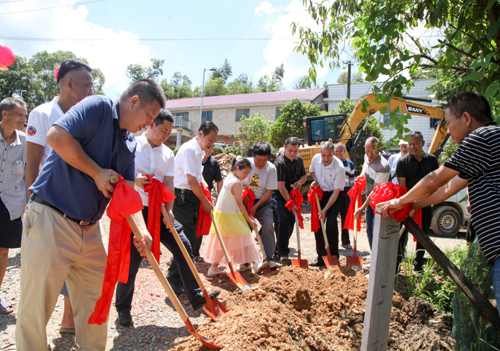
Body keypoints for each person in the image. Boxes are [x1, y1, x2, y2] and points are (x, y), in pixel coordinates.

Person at [15, 79, 165, 350]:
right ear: (133, 102)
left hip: (89, 230)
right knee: (35, 310)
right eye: (149, 116)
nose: (149, 124)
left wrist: (141, 229)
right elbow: (56, 137)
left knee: (97, 304)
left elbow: (128, 194)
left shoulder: (129, 142)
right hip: (51, 217)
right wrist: (97, 172)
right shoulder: (97, 106)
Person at [380, 91, 500, 315]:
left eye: (447, 123)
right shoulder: (490, 143)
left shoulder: (480, 138)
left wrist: (400, 199)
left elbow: (436, 179)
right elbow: (449, 188)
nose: (447, 131)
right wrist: (414, 205)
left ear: (466, 118)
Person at [115, 109, 220, 326]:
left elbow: (169, 183)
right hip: (136, 210)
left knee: (184, 245)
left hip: (160, 210)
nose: (166, 135)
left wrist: (170, 210)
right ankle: (123, 308)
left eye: (169, 132)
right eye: (164, 130)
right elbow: (119, 174)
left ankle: (195, 294)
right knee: (132, 261)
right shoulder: (132, 145)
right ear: (151, 124)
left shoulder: (168, 153)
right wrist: (135, 179)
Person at [25, 58, 94, 334]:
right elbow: (32, 163)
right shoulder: (42, 115)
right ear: (69, 84)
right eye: (87, 86)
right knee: (45, 277)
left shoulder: (86, 117)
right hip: (48, 205)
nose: (91, 92)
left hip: (76, 206)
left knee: (73, 270)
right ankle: (35, 334)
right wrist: (32, 203)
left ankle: (68, 323)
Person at [169, 121, 218, 295]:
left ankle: (181, 280)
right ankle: (174, 279)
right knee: (186, 241)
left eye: (214, 140)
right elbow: (190, 180)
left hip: (191, 196)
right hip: (182, 197)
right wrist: (204, 201)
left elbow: (198, 178)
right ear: (200, 133)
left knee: (191, 239)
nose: (211, 143)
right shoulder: (190, 150)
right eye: (210, 139)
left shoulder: (199, 151)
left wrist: (207, 196)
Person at [204, 157, 260, 276]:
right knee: (246, 234)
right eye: (245, 172)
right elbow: (240, 205)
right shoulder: (237, 183)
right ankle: (255, 263)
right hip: (230, 216)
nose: (245, 176)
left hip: (221, 214)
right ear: (238, 168)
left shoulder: (229, 177)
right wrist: (249, 221)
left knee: (222, 241)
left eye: (248, 174)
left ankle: (213, 268)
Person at [395, 131, 439, 272]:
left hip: (425, 203)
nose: (412, 147)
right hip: (408, 205)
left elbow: (435, 182)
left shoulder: (431, 160)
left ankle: (418, 265)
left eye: (415, 144)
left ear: (423, 143)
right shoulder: (403, 162)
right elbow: (403, 187)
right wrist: (409, 205)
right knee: (402, 236)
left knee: (423, 235)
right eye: (410, 144)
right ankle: (396, 265)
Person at [0, 98, 27, 315]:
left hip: (11, 204)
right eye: (19, 115)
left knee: (3, 252)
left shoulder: (26, 143)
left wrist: (29, 203)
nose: (23, 119)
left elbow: (28, 173)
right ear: (5, 114)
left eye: (24, 115)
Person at [242, 142, 279, 270]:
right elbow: (237, 180)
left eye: (264, 160)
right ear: (253, 156)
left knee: (268, 225)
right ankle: (245, 261)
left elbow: (269, 192)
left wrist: (256, 206)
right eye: (258, 160)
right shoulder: (245, 163)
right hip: (245, 201)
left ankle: (270, 257)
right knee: (244, 228)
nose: (261, 163)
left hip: (263, 202)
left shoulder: (271, 169)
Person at [309, 142, 346, 266]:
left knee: (330, 223)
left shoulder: (339, 168)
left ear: (333, 153)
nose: (326, 159)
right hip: (320, 193)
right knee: (318, 224)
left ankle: (334, 256)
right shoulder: (315, 159)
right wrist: (315, 181)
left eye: (329, 155)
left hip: (334, 195)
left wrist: (324, 210)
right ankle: (321, 257)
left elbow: (336, 193)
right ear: (320, 153)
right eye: (323, 155)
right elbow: (312, 171)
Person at [272, 137, 307, 262]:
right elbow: (280, 186)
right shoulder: (280, 163)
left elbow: (304, 175)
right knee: (283, 220)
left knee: (291, 222)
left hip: (292, 194)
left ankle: (278, 249)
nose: (293, 153)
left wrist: (300, 182)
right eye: (290, 150)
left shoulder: (299, 160)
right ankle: (282, 252)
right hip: (279, 195)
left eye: (295, 151)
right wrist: (290, 204)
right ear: (285, 148)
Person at [354, 137, 390, 250]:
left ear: (379, 149)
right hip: (369, 201)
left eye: (373, 151)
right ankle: (373, 257)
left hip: (379, 204)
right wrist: (361, 175)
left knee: (376, 231)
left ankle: (378, 261)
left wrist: (361, 208)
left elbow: (375, 192)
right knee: (369, 230)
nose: (369, 154)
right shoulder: (367, 157)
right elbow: (365, 164)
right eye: (367, 150)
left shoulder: (383, 167)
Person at [192, 143, 223, 261]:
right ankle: (185, 252)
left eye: (210, 148)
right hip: (192, 194)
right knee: (190, 224)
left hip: (205, 197)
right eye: (207, 147)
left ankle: (196, 252)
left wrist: (219, 196)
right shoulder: (195, 159)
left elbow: (219, 181)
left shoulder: (214, 163)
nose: (208, 150)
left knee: (201, 224)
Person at [334, 142, 355, 250]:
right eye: (336, 151)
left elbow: (352, 181)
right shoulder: (332, 163)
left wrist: (352, 193)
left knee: (345, 218)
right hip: (334, 194)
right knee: (332, 218)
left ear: (344, 152)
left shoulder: (349, 164)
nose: (338, 153)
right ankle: (333, 243)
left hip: (346, 194)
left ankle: (345, 241)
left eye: (340, 151)